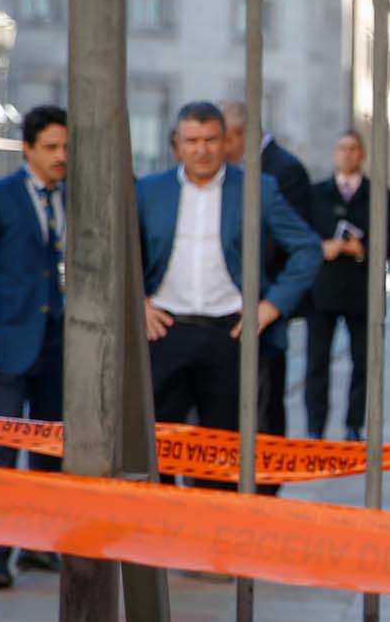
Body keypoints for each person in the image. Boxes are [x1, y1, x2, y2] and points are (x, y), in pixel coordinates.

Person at [137, 101, 321, 491]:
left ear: (226, 143)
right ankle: (160, 539)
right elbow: (119, 253)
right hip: (165, 333)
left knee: (221, 456)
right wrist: (138, 302)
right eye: (192, 141)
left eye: (210, 139)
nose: (201, 149)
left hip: (231, 336)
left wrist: (272, 306)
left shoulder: (258, 189)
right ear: (176, 145)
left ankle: (209, 542)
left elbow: (307, 247)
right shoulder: (150, 191)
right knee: (157, 449)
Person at [0, 105, 69, 589]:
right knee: (1, 452)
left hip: (59, 345)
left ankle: (40, 546)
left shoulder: (74, 198)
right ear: (28, 148)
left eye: (67, 147)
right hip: (4, 345)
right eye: (52, 148)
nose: (62, 156)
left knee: (51, 453)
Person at [303, 130, 390, 442]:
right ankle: (315, 426)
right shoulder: (316, 193)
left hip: (362, 291)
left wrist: (366, 248)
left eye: (353, 149)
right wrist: (324, 246)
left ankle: (353, 425)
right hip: (323, 290)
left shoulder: (379, 195)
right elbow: (301, 235)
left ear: (362, 154)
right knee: (316, 363)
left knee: (363, 361)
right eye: (342, 148)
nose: (347, 154)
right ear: (336, 153)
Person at [221, 101, 310, 437]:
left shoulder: (283, 171)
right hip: (230, 310)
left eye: (221, 139)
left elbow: (294, 243)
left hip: (266, 305)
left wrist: (273, 302)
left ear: (239, 134)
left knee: (266, 402)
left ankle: (265, 484)